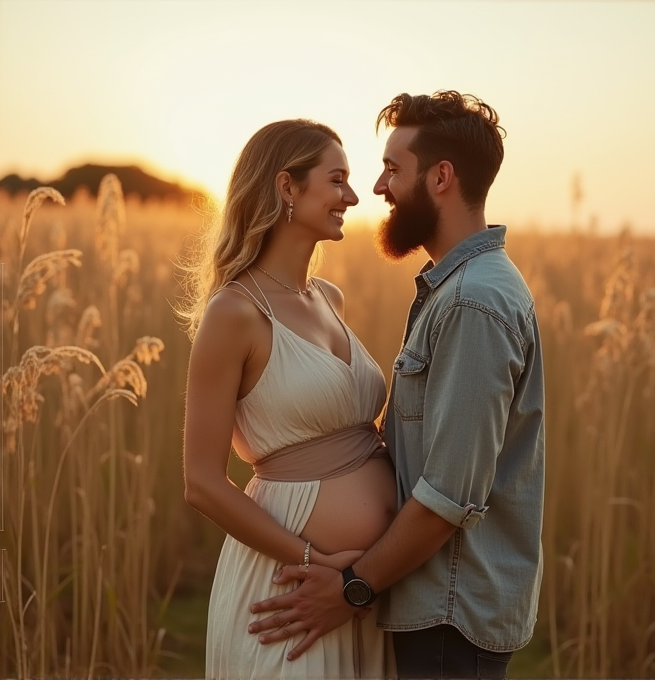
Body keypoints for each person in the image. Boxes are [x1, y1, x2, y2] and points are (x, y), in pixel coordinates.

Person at [248, 90, 546, 680]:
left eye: (391, 169)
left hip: (449, 615)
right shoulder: (457, 288)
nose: (377, 189)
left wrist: (352, 587)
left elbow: (447, 496)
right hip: (432, 607)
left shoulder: (471, 302)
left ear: (441, 177)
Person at [181, 119, 398, 679]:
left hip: (356, 591)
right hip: (293, 589)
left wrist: (360, 574)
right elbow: (202, 482)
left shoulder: (330, 298)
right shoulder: (234, 313)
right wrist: (316, 563)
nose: (353, 197)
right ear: (287, 188)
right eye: (338, 180)